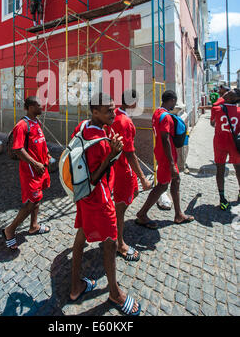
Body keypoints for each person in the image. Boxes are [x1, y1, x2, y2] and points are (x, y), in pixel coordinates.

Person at [69, 93, 141, 316]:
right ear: (95, 112)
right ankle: (114, 292)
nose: (113, 113)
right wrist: (112, 154)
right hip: (99, 197)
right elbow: (95, 176)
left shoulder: (82, 127)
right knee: (110, 243)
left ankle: (75, 287)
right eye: (108, 111)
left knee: (81, 236)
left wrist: (112, 149)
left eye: (113, 109)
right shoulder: (99, 141)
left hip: (82, 194)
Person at [135, 90, 194, 229]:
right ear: (172, 100)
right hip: (166, 156)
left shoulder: (157, 113)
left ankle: (179, 213)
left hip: (162, 154)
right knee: (162, 185)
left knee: (175, 180)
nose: (175, 104)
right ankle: (142, 213)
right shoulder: (166, 117)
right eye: (175, 101)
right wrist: (172, 163)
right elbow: (165, 138)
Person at [2, 96, 51, 250]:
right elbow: (18, 149)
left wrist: (46, 153)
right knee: (32, 201)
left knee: (38, 197)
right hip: (31, 170)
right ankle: (10, 230)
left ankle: (34, 226)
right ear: (30, 107)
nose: (41, 107)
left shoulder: (36, 122)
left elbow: (39, 141)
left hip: (41, 168)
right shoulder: (22, 125)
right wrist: (35, 163)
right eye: (38, 105)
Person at [110, 89, 151, 262]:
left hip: (119, 167)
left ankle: (115, 227)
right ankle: (119, 242)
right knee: (120, 206)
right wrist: (142, 177)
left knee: (129, 196)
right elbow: (129, 153)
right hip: (122, 169)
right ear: (133, 102)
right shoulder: (124, 120)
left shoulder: (115, 116)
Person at [210, 88, 240, 210]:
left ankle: (222, 198)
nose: (226, 93)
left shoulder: (216, 109)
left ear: (234, 98)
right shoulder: (239, 111)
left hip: (220, 143)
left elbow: (212, 124)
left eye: (230, 93)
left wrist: (221, 99)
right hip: (234, 144)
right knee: (238, 169)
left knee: (220, 171)